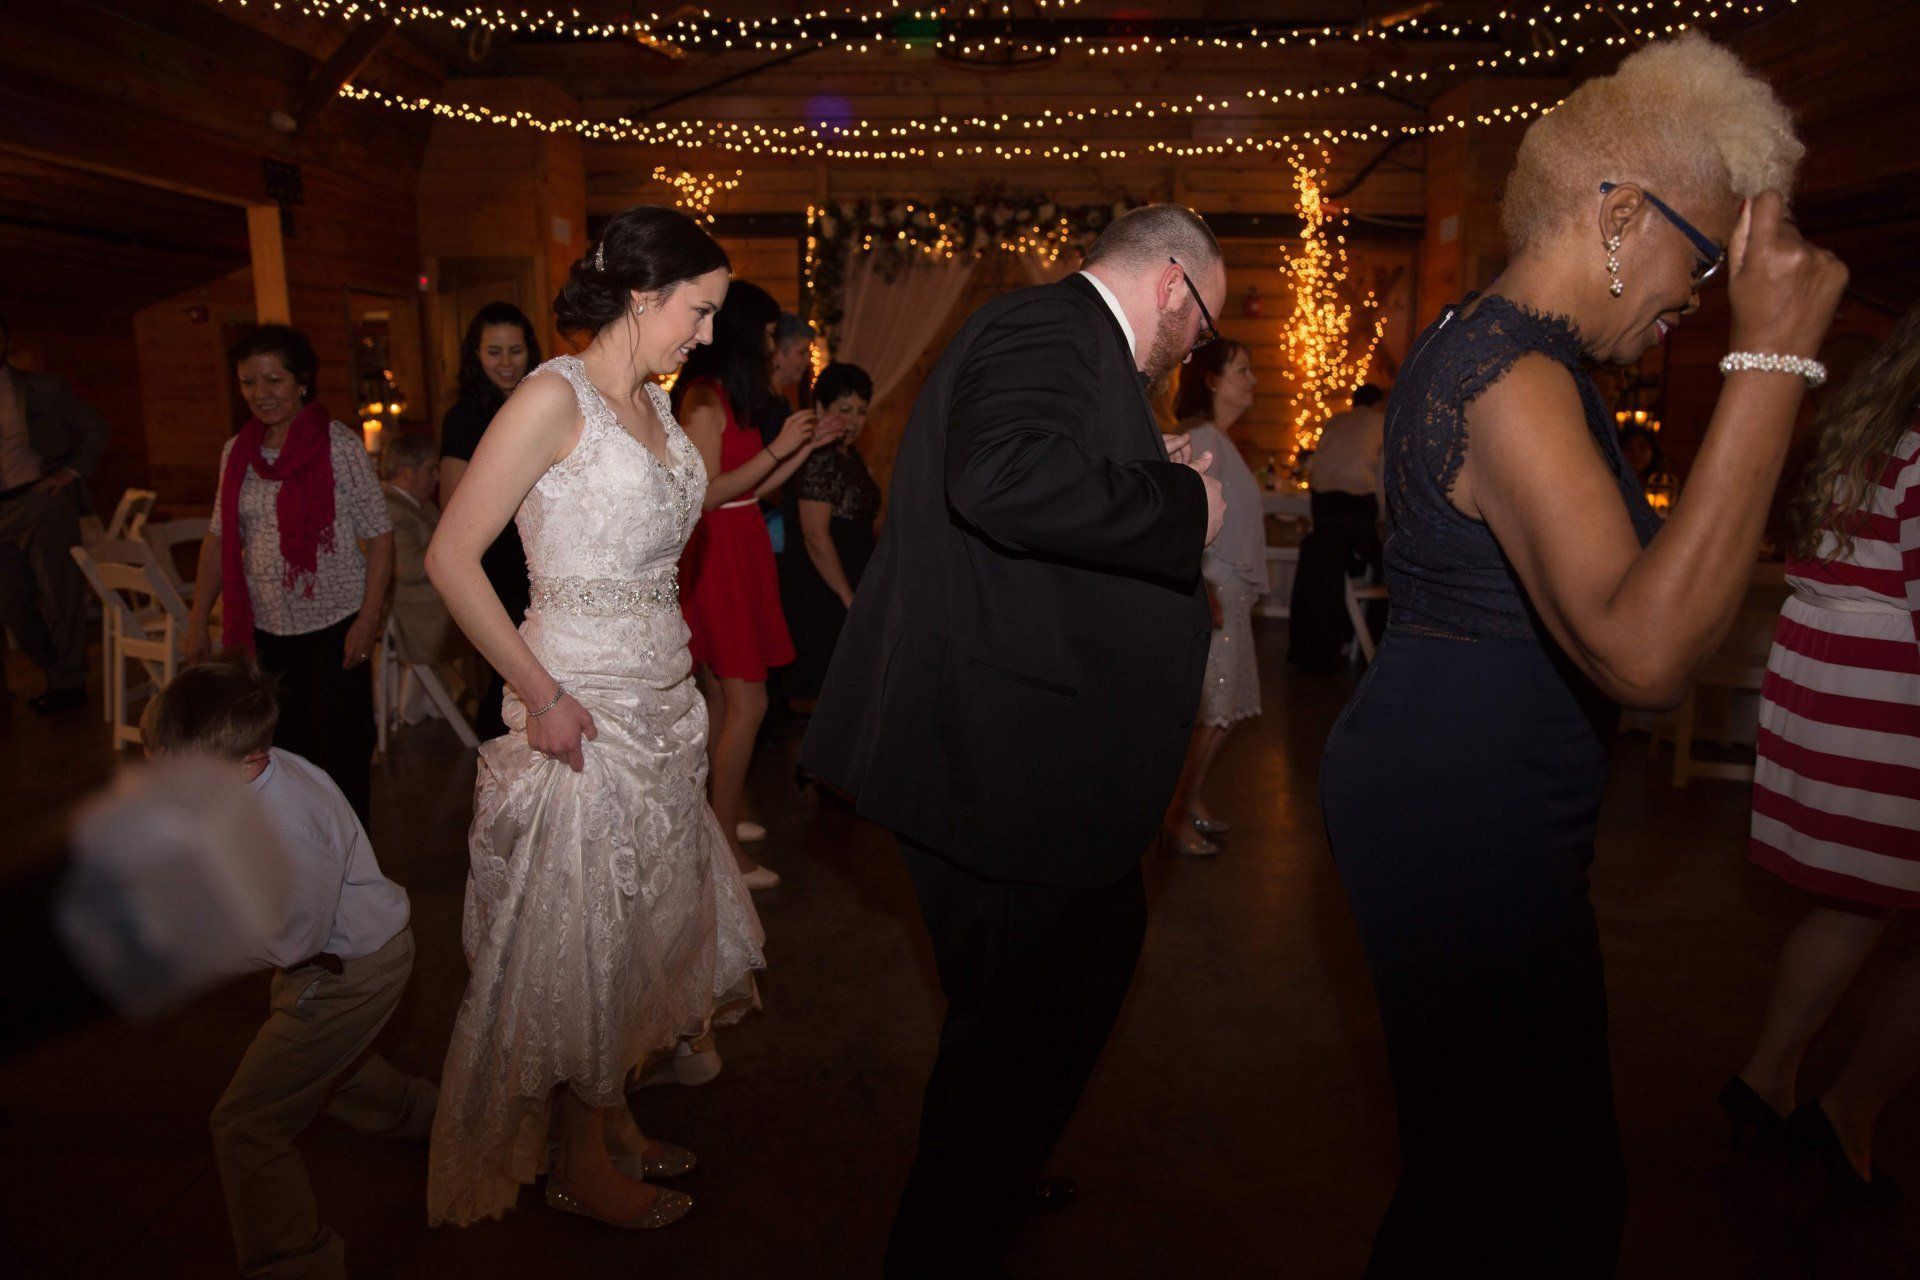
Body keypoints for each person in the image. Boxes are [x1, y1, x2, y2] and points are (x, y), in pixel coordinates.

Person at [1318, 33, 1845, 1277]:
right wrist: (1771, 359)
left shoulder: (1497, 346)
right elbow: (1646, 650)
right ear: (1617, 214)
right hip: (1459, 819)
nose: (1701, 291)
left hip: (1465, 801)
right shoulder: (1510, 374)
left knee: (1496, 1184)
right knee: (1529, 1201)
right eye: (1698, 253)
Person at [801, 203, 1227, 1278]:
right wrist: (1183, 505)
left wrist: (1143, 466)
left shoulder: (1073, 349)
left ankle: (996, 1158)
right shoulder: (1050, 327)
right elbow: (1004, 481)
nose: (1199, 349)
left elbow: (1033, 491)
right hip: (996, 760)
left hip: (1018, 748)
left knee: (1067, 975)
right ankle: (951, 1226)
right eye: (1205, 325)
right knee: (1013, 1028)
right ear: (1173, 286)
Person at [423, 205, 764, 1230]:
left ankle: (610, 1121)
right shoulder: (548, 396)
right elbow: (450, 555)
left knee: (638, 931)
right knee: (583, 939)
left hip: (663, 703)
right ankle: (578, 1160)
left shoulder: (659, 409)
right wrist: (544, 694)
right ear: (643, 293)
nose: (706, 334)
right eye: (698, 311)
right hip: (580, 706)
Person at [144, 657, 436, 1280]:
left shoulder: (289, 829)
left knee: (247, 1123)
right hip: (343, 960)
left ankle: (295, 1263)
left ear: (250, 762)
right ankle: (437, 1119)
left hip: (347, 971)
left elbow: (290, 941)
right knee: (332, 1070)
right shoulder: (255, 770)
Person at [1723, 302, 1920, 1206]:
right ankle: (1848, 1110)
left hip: (1838, 682)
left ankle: (1771, 1080)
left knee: (1857, 902)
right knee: (1867, 903)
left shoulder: (1876, 434)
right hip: (1886, 695)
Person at [186, 326, 393, 826]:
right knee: (281, 757)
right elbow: (218, 538)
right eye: (248, 382)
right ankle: (301, 859)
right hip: (266, 633)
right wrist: (196, 620)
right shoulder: (236, 452)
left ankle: (350, 863)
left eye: (273, 380)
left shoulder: (338, 445)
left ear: (301, 382)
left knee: (342, 754)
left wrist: (368, 621)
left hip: (335, 631)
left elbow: (382, 536)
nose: (262, 394)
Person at [674, 282, 836, 890]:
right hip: (718, 557)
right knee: (749, 701)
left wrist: (800, 448)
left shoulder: (730, 401)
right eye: (769, 334)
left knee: (722, 701)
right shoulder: (703, 400)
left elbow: (755, 489)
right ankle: (720, 847)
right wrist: (777, 448)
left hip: (740, 547)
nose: (775, 346)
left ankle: (721, 815)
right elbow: (704, 494)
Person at [1164, 340, 1265, 856]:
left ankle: (1192, 801)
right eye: (1242, 369)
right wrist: (1204, 586)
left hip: (1229, 588)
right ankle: (1175, 816)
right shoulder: (1201, 438)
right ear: (1210, 380)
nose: (1253, 381)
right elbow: (1186, 522)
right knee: (1210, 714)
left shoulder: (1223, 441)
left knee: (1220, 715)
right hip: (1216, 586)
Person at [439, 302, 541, 739]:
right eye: (493, 351)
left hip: (543, 555)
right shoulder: (464, 417)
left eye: (514, 350)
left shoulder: (545, 402)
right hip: (494, 561)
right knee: (507, 681)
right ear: (475, 356)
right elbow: (451, 504)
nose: (505, 362)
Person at [0, 314, 111, 712]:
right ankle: (55, 667)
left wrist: (70, 472)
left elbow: (95, 428)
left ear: (6, 341)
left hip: (41, 501)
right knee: (10, 603)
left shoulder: (40, 388)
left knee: (60, 595)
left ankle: (68, 684)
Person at [781, 361, 881, 703]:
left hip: (850, 583)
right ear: (820, 407)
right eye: (844, 409)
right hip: (826, 590)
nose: (853, 420)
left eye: (860, 411)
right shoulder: (820, 458)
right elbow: (815, 536)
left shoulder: (847, 453)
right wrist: (847, 597)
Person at [1288, 383, 1386, 672]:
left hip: (1323, 504)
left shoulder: (1335, 420)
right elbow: (1381, 478)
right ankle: (1373, 640)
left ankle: (1329, 639)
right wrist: (1381, 517)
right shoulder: (1381, 423)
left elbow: (1319, 467)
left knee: (1326, 560)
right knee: (1382, 566)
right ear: (1378, 403)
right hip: (1356, 507)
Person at [381, 432, 461, 668]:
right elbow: (408, 567)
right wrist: (455, 556)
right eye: (430, 469)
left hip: (433, 608)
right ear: (408, 471)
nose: (437, 478)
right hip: (423, 616)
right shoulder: (392, 509)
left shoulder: (419, 504)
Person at [770, 311, 816, 412]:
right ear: (777, 354)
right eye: (801, 352)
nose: (807, 360)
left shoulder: (781, 400)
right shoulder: (763, 404)